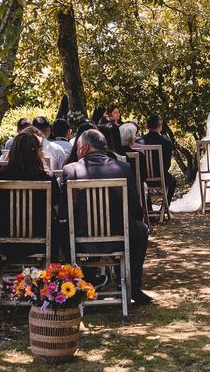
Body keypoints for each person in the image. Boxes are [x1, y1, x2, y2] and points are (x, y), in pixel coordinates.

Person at [59, 129, 151, 304]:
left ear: (85, 147)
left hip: (80, 238)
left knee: (63, 228)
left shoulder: (70, 170)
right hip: (119, 237)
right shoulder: (123, 168)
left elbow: (66, 209)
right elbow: (134, 206)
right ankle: (133, 285)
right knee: (141, 229)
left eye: (78, 148)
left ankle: (79, 282)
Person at [0, 131, 60, 307]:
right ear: (35, 152)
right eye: (40, 149)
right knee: (57, 227)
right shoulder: (45, 176)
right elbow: (57, 201)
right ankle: (51, 289)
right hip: (40, 242)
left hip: (4, 243)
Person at [138, 115, 176, 206]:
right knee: (173, 182)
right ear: (160, 126)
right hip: (161, 177)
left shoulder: (138, 142)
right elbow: (167, 164)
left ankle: (148, 208)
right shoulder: (166, 142)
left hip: (143, 178)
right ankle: (164, 208)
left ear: (147, 126)